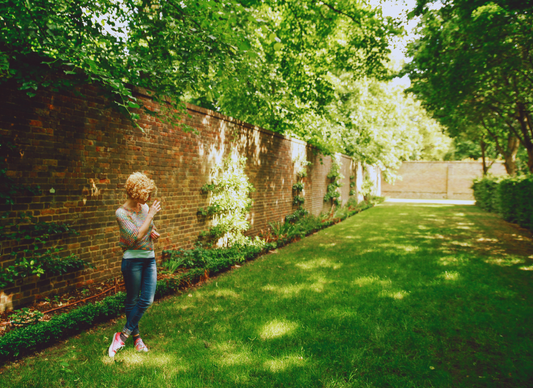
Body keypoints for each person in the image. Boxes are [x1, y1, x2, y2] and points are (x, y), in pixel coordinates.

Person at [108, 172, 161, 357]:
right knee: (132, 299)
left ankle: (122, 336)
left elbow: (149, 228)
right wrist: (150, 216)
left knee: (147, 299)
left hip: (149, 258)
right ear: (135, 193)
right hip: (132, 260)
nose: (147, 196)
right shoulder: (121, 213)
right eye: (145, 193)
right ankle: (136, 338)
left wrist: (154, 232)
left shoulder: (144, 207)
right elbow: (135, 236)